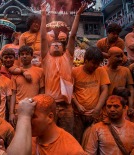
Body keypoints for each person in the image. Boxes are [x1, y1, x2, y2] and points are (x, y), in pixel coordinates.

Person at [40, 1, 86, 134]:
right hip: (50, 104)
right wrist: (43, 15)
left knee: (66, 135)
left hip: (66, 106)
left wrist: (77, 15)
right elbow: (43, 38)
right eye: (53, 44)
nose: (55, 45)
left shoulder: (68, 57)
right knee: (49, 135)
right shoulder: (46, 59)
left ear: (63, 48)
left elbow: (72, 36)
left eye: (58, 44)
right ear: (49, 48)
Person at [72, 46, 110, 143]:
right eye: (93, 63)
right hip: (78, 115)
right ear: (86, 60)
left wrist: (97, 108)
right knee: (77, 140)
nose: (95, 66)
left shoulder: (101, 70)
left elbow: (105, 90)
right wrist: (78, 105)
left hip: (95, 114)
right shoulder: (75, 71)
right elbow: (70, 92)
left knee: (93, 141)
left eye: (98, 63)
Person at [9, 46, 45, 127]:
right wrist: (11, 113)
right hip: (19, 109)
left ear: (32, 56)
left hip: (34, 108)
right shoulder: (16, 73)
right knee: (20, 135)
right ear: (19, 57)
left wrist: (41, 109)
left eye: (27, 54)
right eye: (22, 54)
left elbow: (42, 92)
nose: (24, 56)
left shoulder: (40, 71)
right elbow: (13, 94)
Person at [103, 47, 134, 119]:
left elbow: (131, 89)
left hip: (122, 107)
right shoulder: (102, 71)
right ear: (109, 57)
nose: (120, 59)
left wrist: (130, 106)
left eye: (121, 56)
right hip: (107, 108)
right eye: (117, 56)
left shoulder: (126, 70)